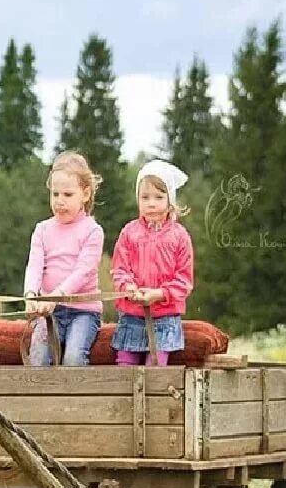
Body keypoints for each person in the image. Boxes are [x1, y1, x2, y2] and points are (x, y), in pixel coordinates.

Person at [23, 151, 105, 366]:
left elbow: (83, 272)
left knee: (73, 357)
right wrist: (31, 294)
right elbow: (34, 266)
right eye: (55, 194)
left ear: (85, 194)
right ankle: (39, 400)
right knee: (38, 357)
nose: (60, 201)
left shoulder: (93, 231)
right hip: (49, 313)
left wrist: (55, 297)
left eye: (67, 195)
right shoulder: (42, 230)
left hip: (83, 313)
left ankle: (77, 400)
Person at [111, 159, 194, 366]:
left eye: (159, 197)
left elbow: (184, 280)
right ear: (137, 199)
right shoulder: (129, 233)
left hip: (164, 317)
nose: (151, 203)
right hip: (132, 314)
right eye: (145, 197)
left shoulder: (180, 236)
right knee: (125, 366)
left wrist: (159, 294)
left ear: (170, 200)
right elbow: (119, 268)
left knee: (155, 368)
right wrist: (128, 288)